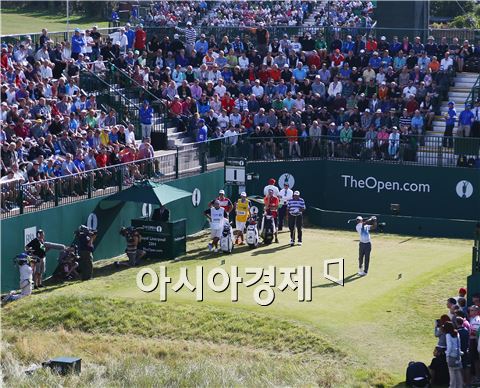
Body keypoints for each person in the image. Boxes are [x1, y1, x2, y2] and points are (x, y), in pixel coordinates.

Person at [444, 321, 464, 388]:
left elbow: (449, 346)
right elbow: (459, 344)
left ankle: (452, 386)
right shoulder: (457, 333)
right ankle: (459, 386)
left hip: (451, 356)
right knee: (458, 372)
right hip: (458, 355)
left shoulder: (448, 335)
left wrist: (447, 355)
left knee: (452, 373)